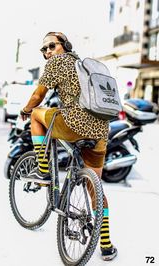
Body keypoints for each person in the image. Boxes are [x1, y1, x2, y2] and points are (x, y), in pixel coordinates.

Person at [20, 31, 117, 261]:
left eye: (51, 46)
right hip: (101, 131)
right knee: (96, 188)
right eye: (44, 50)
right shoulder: (83, 66)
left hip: (75, 123)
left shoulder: (59, 62)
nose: (47, 52)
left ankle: (43, 168)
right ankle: (106, 244)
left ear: (64, 45)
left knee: (35, 114)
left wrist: (24, 109)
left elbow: (38, 95)